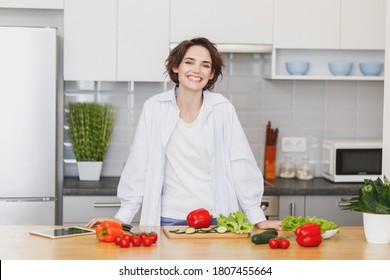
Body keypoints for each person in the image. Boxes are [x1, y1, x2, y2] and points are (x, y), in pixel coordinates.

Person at [86, 37, 282, 230]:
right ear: (175, 67)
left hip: (216, 218)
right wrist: (122, 216)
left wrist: (257, 216)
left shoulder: (222, 108)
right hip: (168, 218)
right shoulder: (155, 108)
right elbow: (140, 164)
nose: (197, 70)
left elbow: (240, 163)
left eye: (205, 65)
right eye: (189, 62)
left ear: (211, 74)